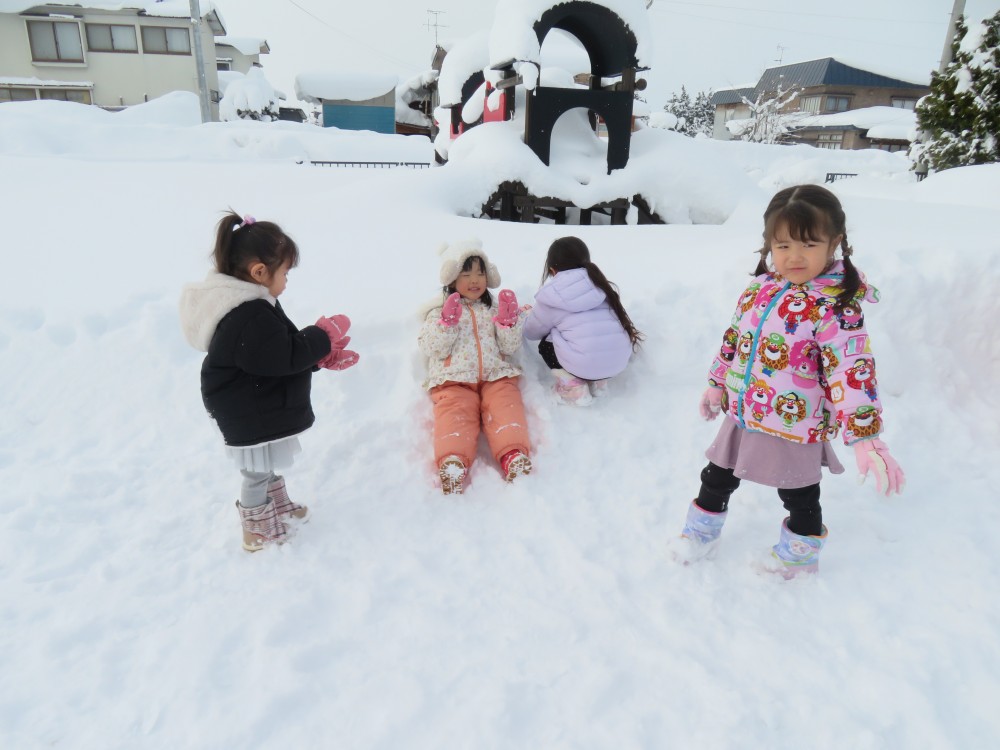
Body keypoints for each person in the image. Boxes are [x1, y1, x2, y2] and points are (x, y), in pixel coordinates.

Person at [674, 184, 905, 576]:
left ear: (835, 242)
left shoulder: (835, 308)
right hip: (745, 411)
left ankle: (798, 556)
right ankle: (699, 533)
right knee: (715, 477)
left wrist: (866, 437)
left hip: (796, 422)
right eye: (782, 246)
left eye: (809, 244)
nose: (794, 257)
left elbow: (851, 370)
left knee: (799, 494)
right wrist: (717, 382)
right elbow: (735, 338)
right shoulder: (760, 288)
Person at [179, 211, 358, 551]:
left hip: (252, 399)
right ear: (259, 272)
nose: (287, 280)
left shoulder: (254, 306)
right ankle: (256, 526)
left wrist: (317, 359)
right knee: (256, 471)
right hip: (245, 407)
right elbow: (283, 356)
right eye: (285, 272)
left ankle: (274, 503)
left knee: (265, 461)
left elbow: (278, 353)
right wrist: (320, 338)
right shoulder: (248, 315)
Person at [418, 239, 532, 495]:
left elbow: (509, 347)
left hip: (495, 375)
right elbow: (432, 348)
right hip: (455, 378)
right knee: (454, 413)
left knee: (506, 406)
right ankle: (453, 463)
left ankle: (513, 455)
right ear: (451, 279)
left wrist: (507, 323)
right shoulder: (438, 312)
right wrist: (446, 324)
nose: (474, 280)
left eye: (480, 273)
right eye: (466, 274)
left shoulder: (492, 309)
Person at [523, 236, 642, 405]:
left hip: (585, 365)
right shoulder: (601, 286)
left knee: (547, 342)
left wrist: (529, 315)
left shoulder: (553, 295)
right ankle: (599, 382)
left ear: (552, 270)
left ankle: (572, 387)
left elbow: (531, 332)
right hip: (617, 362)